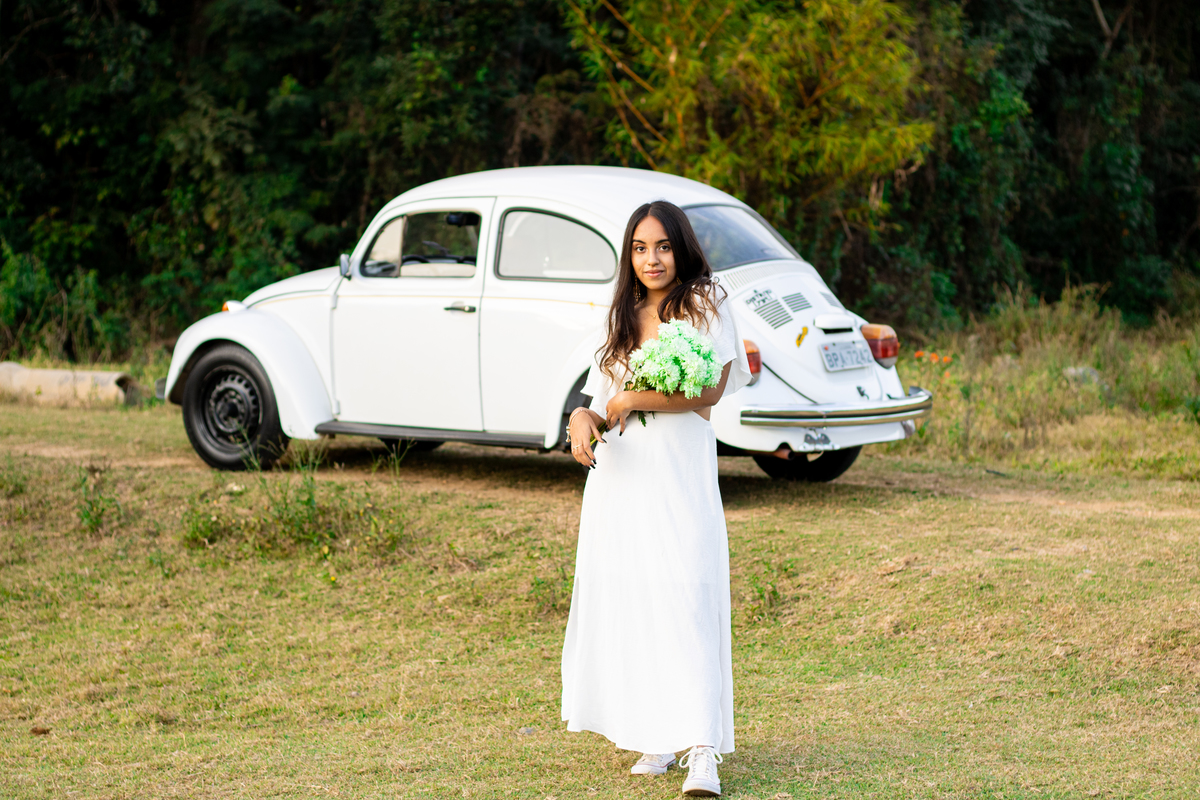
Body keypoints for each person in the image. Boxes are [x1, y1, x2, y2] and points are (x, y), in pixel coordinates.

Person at [561, 200, 752, 797]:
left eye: (663, 246)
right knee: (636, 598)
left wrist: (633, 401)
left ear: (682, 247)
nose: (652, 259)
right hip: (621, 477)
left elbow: (709, 393)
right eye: (641, 248)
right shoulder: (621, 312)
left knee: (685, 594)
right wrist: (579, 419)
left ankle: (702, 752)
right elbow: (599, 397)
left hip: (677, 473)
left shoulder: (705, 302)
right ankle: (657, 734)